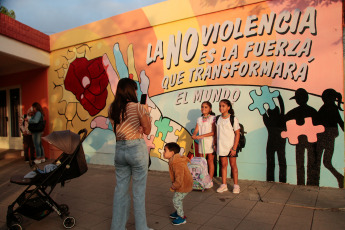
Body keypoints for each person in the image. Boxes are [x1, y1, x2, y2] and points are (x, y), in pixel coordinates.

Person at [108, 78, 153, 230]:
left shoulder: (112, 108)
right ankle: (141, 228)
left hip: (120, 150)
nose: (136, 92)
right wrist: (145, 114)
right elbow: (147, 130)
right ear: (130, 90)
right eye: (135, 89)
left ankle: (117, 227)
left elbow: (119, 127)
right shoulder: (138, 107)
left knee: (120, 190)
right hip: (136, 150)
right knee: (138, 193)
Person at [284, 88, 317, 185]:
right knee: (310, 162)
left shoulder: (294, 111)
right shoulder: (313, 111)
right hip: (310, 140)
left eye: (296, 99)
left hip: (300, 140)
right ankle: (310, 182)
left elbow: (284, 119)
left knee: (300, 163)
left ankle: (300, 182)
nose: (296, 101)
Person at [315, 89, 344, 188]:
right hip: (328, 136)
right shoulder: (331, 108)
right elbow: (341, 123)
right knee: (325, 161)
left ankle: (339, 177)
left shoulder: (328, 108)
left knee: (322, 161)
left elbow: (340, 123)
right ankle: (339, 177)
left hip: (325, 136)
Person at [214, 99, 240, 193]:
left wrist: (234, 148)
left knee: (233, 166)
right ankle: (224, 185)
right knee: (223, 165)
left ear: (228, 107)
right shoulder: (217, 119)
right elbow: (216, 133)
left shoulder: (233, 119)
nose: (221, 108)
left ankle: (236, 185)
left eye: (223, 106)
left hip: (231, 147)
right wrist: (215, 144)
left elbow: (237, 134)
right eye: (220, 106)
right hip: (221, 147)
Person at [163, 142, 193, 226]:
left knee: (176, 200)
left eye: (165, 150)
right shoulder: (174, 160)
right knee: (178, 199)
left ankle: (182, 217)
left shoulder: (177, 163)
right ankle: (178, 212)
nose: (163, 152)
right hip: (182, 184)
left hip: (183, 185)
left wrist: (174, 186)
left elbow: (179, 178)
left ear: (172, 153)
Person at [263, 94, 287, 183]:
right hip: (281, 142)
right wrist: (279, 96)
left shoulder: (268, 120)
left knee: (270, 163)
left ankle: (270, 179)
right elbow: (282, 106)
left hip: (271, 143)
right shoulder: (281, 118)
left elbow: (263, 111)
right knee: (282, 162)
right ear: (278, 111)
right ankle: (283, 179)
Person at [191, 101, 216, 182]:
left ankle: (210, 180)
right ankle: (202, 178)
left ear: (210, 109)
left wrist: (201, 136)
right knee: (202, 162)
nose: (203, 108)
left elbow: (213, 132)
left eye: (206, 107)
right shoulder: (199, 119)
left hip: (210, 142)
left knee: (210, 161)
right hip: (202, 143)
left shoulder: (213, 118)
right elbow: (196, 130)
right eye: (202, 107)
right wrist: (194, 135)